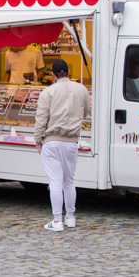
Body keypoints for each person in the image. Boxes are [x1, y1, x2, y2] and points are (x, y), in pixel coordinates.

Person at [33, 58, 91, 232]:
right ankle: (71, 217)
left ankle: (57, 221)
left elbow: (41, 118)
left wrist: (37, 141)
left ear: (52, 74)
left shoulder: (48, 92)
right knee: (69, 181)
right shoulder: (82, 90)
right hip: (71, 141)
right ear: (68, 73)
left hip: (51, 141)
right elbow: (86, 112)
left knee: (55, 182)